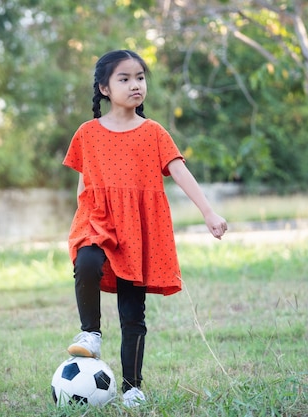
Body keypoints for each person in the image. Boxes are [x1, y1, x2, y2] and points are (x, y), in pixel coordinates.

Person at [62, 49, 228, 408]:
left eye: (140, 77)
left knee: (132, 313)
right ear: (104, 88)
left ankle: (132, 387)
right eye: (125, 78)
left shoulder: (153, 132)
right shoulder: (87, 133)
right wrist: (82, 221)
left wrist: (209, 213)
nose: (135, 85)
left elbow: (181, 173)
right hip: (98, 220)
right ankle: (90, 333)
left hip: (138, 230)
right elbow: (83, 183)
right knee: (87, 262)